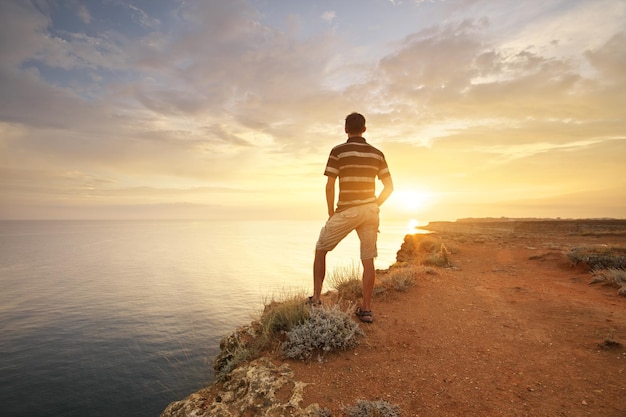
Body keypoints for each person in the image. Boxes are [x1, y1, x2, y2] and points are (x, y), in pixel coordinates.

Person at [311, 112, 394, 323]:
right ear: (364, 129)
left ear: (345, 129)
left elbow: (330, 185)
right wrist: (374, 205)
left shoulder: (338, 151)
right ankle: (366, 309)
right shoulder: (377, 154)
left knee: (321, 250)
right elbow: (389, 187)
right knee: (368, 260)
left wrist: (331, 213)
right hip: (370, 211)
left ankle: (317, 300)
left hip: (347, 210)